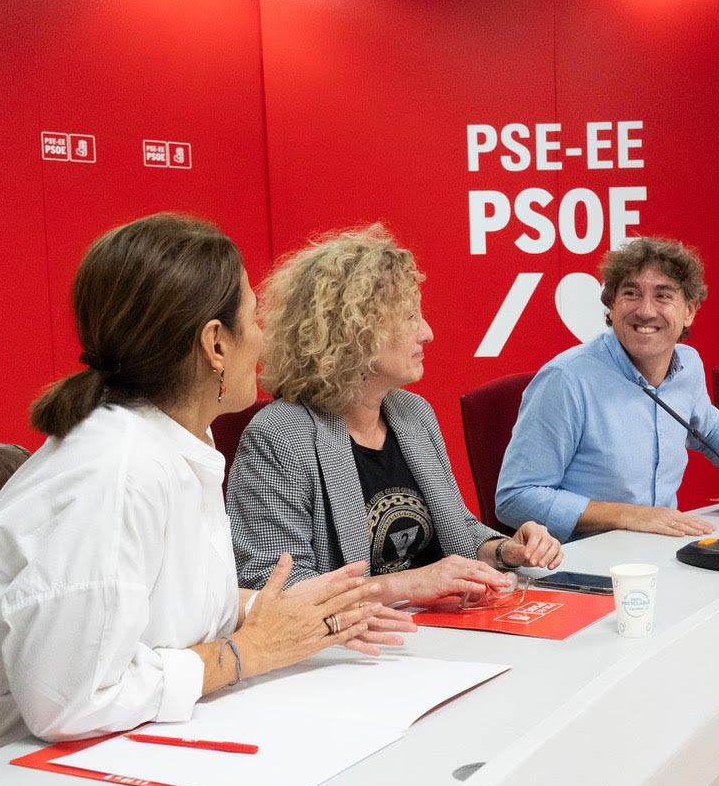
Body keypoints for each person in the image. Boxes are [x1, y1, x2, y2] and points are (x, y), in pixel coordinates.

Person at [0, 213, 414, 786]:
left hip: (73, 753)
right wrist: (252, 650)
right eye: (252, 318)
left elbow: (149, 608)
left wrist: (277, 611)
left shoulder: (173, 441)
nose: (264, 338)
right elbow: (69, 702)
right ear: (215, 344)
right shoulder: (115, 472)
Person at [228, 225, 562, 605]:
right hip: (356, 648)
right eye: (409, 317)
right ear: (354, 332)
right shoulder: (281, 435)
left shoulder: (413, 413)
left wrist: (503, 550)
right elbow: (270, 583)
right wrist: (406, 586)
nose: (428, 332)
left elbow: (456, 529)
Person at [494, 236, 719, 544]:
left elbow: (711, 429)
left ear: (689, 311)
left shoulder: (688, 365)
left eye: (663, 296)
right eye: (630, 294)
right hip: (583, 561)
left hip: (661, 549)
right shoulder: (566, 380)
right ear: (611, 306)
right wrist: (630, 515)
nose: (646, 310)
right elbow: (515, 498)